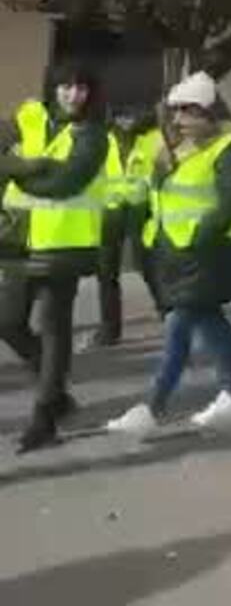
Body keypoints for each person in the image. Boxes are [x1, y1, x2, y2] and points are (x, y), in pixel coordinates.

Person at [105, 74, 231, 437]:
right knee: (208, 320)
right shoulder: (177, 149)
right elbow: (163, 197)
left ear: (209, 114)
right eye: (175, 114)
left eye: (188, 114)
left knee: (179, 322)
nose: (179, 121)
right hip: (174, 251)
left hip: (209, 251)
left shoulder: (230, 148)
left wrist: (198, 238)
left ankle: (154, 406)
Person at [0, 62, 121, 452]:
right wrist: (30, 165)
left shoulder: (94, 135)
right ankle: (56, 393)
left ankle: (43, 419)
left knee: (54, 328)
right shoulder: (29, 116)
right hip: (19, 240)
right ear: (54, 87)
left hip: (66, 245)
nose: (74, 95)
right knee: (8, 322)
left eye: (82, 88)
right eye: (67, 86)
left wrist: (19, 171)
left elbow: (65, 183)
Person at [92, 102, 164, 348]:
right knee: (105, 271)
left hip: (139, 208)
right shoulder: (102, 139)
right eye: (122, 116)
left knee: (148, 266)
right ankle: (109, 330)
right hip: (109, 209)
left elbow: (165, 167)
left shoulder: (153, 138)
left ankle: (170, 318)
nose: (126, 122)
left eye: (131, 116)